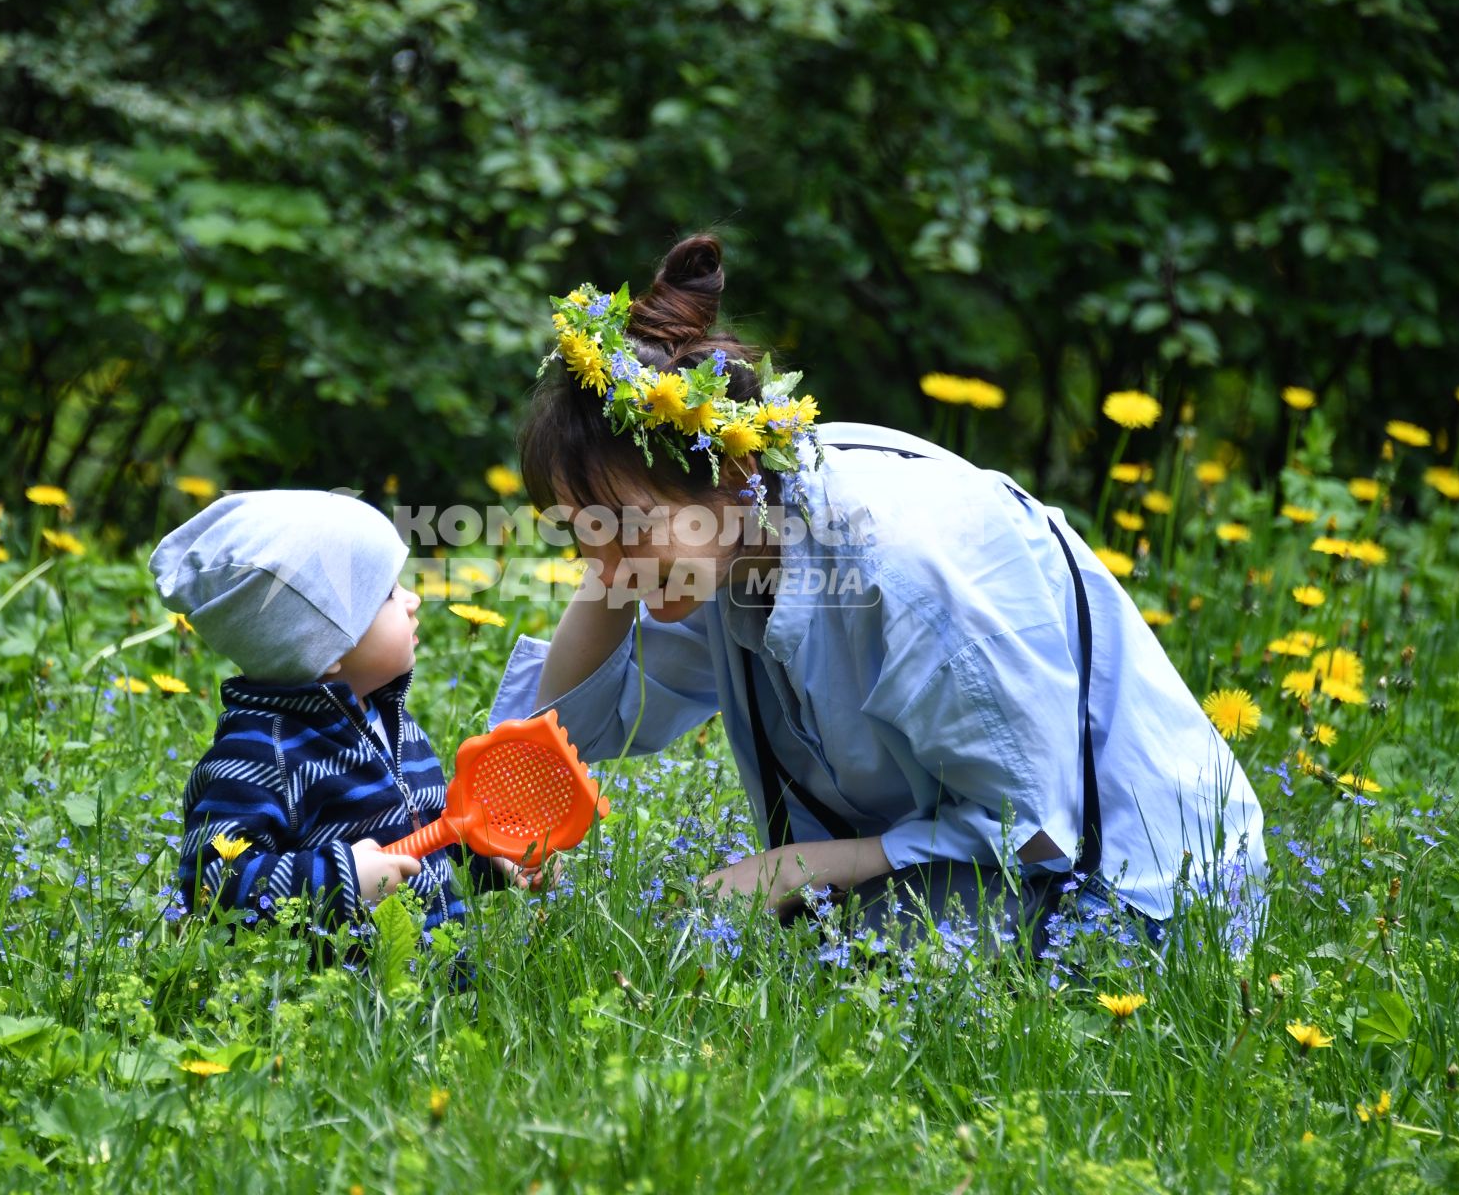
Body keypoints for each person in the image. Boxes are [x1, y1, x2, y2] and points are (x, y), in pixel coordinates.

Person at [487, 234, 1267, 955]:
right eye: (583, 537)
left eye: (629, 532)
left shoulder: (901, 571)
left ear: (729, 473)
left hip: (1143, 892)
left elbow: (1034, 828)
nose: (609, 570)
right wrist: (614, 551)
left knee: (776, 966)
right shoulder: (725, 543)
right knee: (740, 950)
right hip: (981, 871)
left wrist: (805, 865)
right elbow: (569, 739)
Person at [150, 489, 541, 937]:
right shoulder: (261, 757)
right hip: (343, 996)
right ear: (326, 646)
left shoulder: (395, 726)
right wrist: (344, 880)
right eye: (389, 595)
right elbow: (212, 882)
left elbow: (422, 845)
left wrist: (485, 857)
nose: (413, 600)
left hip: (436, 995)